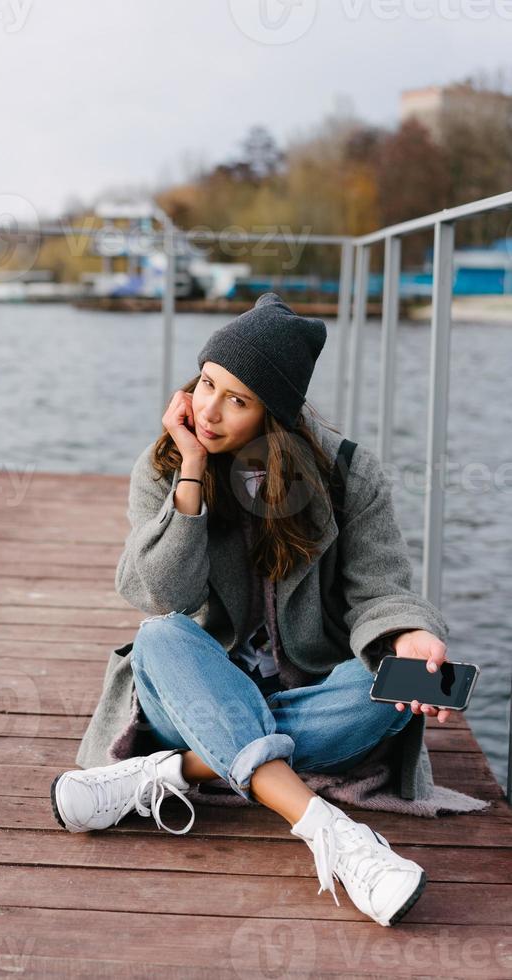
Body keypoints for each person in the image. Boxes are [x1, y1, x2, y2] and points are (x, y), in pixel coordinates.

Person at [50, 292, 453, 928]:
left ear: (275, 417)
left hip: (314, 684)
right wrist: (191, 470)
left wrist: (408, 635)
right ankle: (337, 837)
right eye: (206, 383)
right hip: (198, 685)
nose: (208, 410)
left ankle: (175, 771)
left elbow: (381, 586)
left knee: (382, 690)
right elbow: (160, 593)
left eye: (236, 400)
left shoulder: (347, 473)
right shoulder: (164, 464)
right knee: (161, 637)